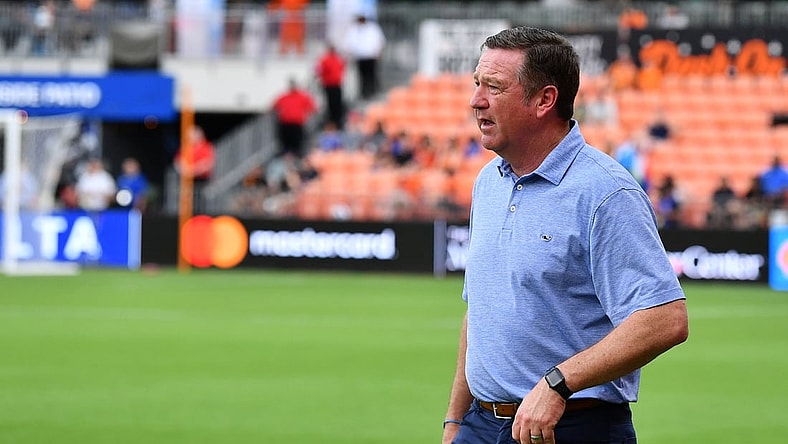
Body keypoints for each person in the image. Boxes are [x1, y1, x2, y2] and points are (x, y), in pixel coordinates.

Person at [442, 27, 689, 444]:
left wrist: (559, 383)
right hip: (481, 427)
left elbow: (665, 318)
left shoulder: (606, 192)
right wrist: (454, 422)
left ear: (544, 100)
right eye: (476, 84)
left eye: (495, 87)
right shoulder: (489, 182)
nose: (476, 100)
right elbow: (480, 313)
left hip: (570, 427)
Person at [343, 14, 386, 100]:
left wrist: (379, 51)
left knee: (371, 75)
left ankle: (373, 92)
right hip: (360, 56)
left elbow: (380, 41)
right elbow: (348, 44)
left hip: (370, 56)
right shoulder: (354, 29)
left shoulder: (373, 28)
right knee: (362, 76)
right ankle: (364, 93)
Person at [272, 78, 318, 156]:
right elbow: (274, 106)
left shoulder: (301, 96)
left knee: (296, 141)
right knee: (286, 140)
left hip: (296, 122)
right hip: (286, 122)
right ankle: (287, 154)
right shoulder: (285, 96)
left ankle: (295, 154)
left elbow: (312, 108)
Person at [315, 43, 346, 129]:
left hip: (337, 84)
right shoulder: (324, 59)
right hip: (328, 84)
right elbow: (318, 70)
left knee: (338, 103)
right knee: (330, 104)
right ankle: (331, 121)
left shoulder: (339, 59)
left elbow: (343, 68)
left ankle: (338, 121)